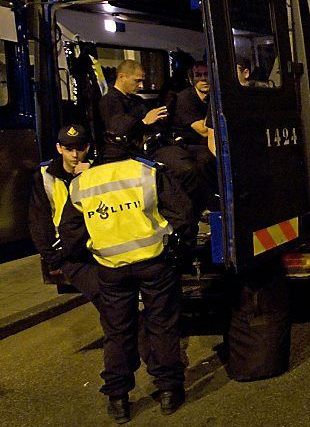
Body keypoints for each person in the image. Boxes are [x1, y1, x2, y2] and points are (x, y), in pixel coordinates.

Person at [59, 127, 196, 424]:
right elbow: (182, 214)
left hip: (110, 268)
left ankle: (118, 399)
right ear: (138, 142)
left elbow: (69, 231)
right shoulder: (148, 172)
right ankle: (169, 391)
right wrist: (179, 245)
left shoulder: (84, 182)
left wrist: (79, 257)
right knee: (161, 326)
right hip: (153, 264)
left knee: (118, 332)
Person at [99, 59, 200, 205]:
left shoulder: (137, 100)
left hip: (155, 143)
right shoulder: (109, 101)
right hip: (132, 152)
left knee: (197, 157)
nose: (140, 85)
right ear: (122, 77)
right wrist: (144, 122)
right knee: (185, 169)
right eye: (137, 81)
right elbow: (118, 130)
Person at [27, 123, 100, 303]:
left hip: (95, 248)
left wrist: (89, 175)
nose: (75, 155)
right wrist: (52, 259)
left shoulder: (98, 171)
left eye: (80, 149)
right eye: (69, 149)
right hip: (65, 253)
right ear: (59, 148)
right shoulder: (44, 175)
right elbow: (38, 221)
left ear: (88, 148)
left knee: (108, 300)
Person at [169, 61, 217, 209]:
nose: (203, 79)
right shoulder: (185, 99)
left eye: (207, 74)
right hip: (185, 142)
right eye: (198, 75)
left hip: (205, 139)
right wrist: (214, 105)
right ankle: (209, 205)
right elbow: (203, 130)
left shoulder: (213, 96)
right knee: (206, 158)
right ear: (192, 78)